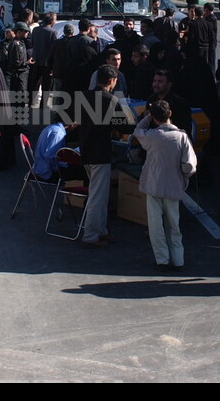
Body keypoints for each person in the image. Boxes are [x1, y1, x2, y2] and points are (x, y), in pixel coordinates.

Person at [133, 100, 197, 271]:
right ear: (170, 114)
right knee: (173, 225)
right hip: (174, 185)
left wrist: (146, 117)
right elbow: (189, 166)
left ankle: (162, 259)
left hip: (154, 185)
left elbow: (137, 131)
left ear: (154, 118)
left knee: (156, 226)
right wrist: (182, 176)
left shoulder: (151, 136)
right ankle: (178, 259)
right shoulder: (182, 137)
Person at [77, 64, 135, 248]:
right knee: (97, 197)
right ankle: (91, 235)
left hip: (85, 150)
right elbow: (125, 127)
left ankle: (101, 230)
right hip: (100, 153)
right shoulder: (110, 100)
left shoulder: (83, 96)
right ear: (112, 81)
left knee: (99, 195)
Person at [148, 69, 191, 134]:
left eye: (160, 81)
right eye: (154, 81)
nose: (156, 84)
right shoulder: (151, 100)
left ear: (169, 84)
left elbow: (185, 129)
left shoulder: (180, 103)